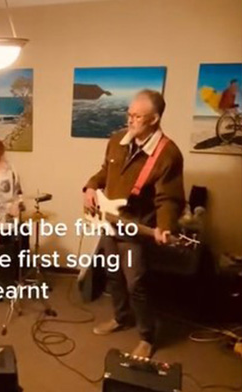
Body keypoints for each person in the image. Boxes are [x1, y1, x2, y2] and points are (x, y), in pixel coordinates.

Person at [83, 90, 185, 358]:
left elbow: (170, 198)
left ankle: (146, 337)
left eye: (137, 116)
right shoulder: (117, 140)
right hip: (109, 223)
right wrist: (91, 187)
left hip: (136, 228)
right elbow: (106, 171)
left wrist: (165, 226)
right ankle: (120, 317)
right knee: (113, 276)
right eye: (129, 114)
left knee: (135, 283)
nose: (130, 120)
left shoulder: (168, 153)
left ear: (155, 118)